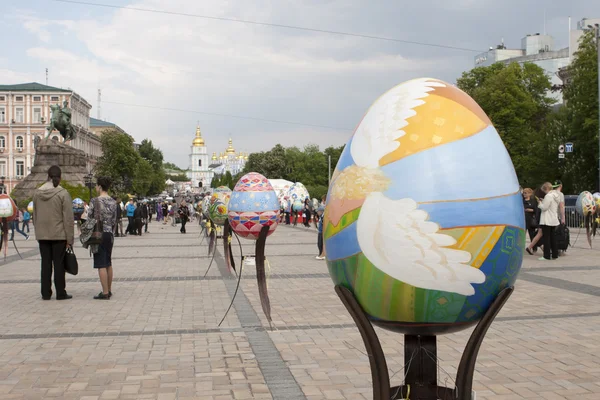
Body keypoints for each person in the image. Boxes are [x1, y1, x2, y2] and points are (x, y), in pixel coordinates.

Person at [33, 165, 74, 300]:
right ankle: (60, 292)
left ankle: (45, 293)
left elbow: (35, 215)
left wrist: (38, 231)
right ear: (60, 177)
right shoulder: (63, 193)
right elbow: (68, 218)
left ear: (48, 176)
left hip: (43, 234)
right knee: (59, 264)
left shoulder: (37, 193)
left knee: (45, 264)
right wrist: (70, 239)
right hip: (59, 234)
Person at [88, 177, 117, 300]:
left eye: (96, 185)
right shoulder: (113, 202)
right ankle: (109, 289)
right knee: (108, 263)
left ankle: (104, 292)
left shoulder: (94, 201)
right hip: (109, 234)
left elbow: (89, 218)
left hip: (98, 234)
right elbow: (115, 220)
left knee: (101, 264)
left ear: (99, 186)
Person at [538, 182, 561, 261]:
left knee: (546, 238)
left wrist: (540, 203)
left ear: (546, 189)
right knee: (553, 238)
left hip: (547, 220)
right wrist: (544, 200)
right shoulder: (556, 196)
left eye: (544, 190)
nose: (544, 192)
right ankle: (555, 254)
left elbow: (544, 208)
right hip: (553, 219)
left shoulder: (548, 196)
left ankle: (546, 255)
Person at [523, 188, 538, 255]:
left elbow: (536, 209)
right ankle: (521, 248)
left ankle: (534, 248)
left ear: (530, 194)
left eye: (526, 193)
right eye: (524, 193)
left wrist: (529, 210)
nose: (524, 195)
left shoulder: (533, 201)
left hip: (531, 220)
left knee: (532, 234)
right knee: (523, 235)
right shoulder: (522, 201)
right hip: (524, 219)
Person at [316, 195, 326, 260]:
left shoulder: (324, 212)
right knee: (319, 243)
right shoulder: (322, 214)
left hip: (322, 231)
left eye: (323, 200)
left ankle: (322, 254)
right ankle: (320, 254)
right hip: (320, 231)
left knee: (321, 243)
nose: (322, 201)